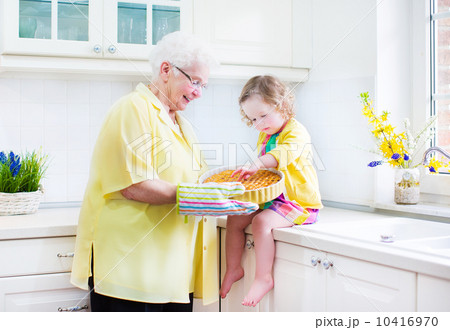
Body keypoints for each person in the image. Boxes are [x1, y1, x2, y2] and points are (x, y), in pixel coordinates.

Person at [70, 31, 222, 312]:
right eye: (195, 82)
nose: (199, 92)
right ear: (166, 70)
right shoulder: (132, 109)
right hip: (130, 268)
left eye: (204, 85)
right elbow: (134, 185)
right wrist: (201, 196)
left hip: (172, 269)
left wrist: (232, 184)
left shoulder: (181, 123)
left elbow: (198, 180)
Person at [219, 75, 323, 307]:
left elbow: (283, 154)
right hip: (273, 199)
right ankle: (234, 268)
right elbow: (269, 171)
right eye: (252, 118)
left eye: (263, 115)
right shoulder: (266, 133)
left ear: (282, 104)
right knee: (234, 218)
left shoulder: (296, 132)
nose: (258, 123)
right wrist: (251, 175)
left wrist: (257, 163)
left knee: (261, 223)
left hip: (298, 203)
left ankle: (264, 278)